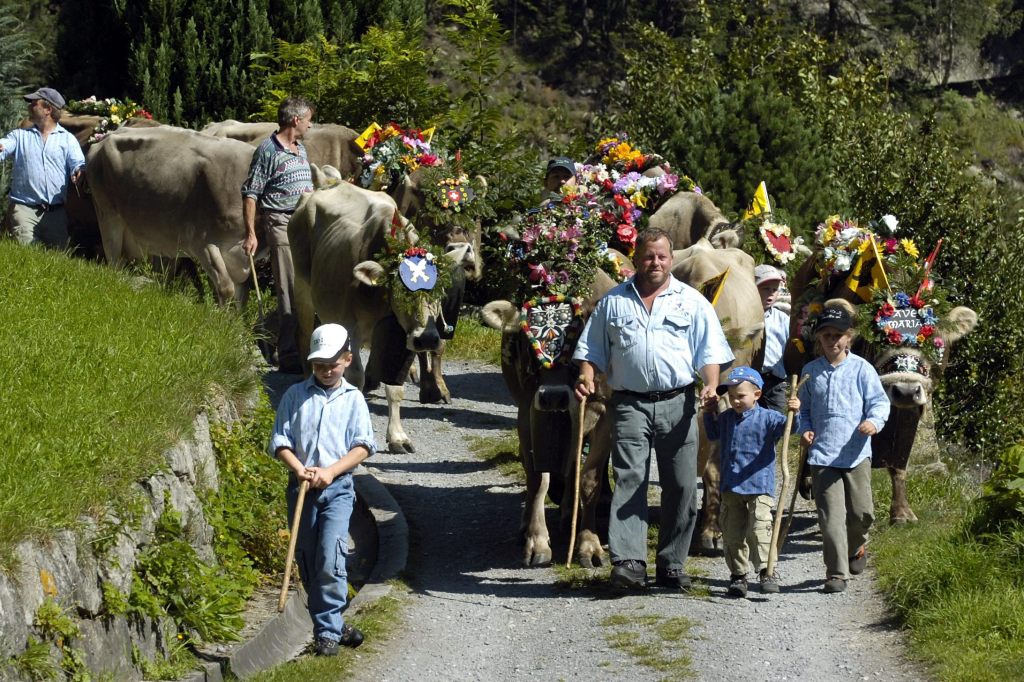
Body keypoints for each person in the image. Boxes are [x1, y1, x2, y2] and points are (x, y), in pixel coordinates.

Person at [574, 227, 734, 591]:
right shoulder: (613, 303)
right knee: (630, 478)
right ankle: (629, 561)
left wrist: (710, 385)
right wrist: (586, 376)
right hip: (629, 403)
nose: (655, 263)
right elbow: (591, 351)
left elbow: (709, 352)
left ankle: (672, 563)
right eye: (648, 256)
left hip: (679, 402)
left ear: (672, 259)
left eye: (662, 256)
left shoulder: (692, 302)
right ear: (636, 258)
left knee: (680, 483)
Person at [268, 323, 375, 654]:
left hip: (338, 489)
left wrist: (330, 471)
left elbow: (363, 446)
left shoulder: (353, 399)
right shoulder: (295, 396)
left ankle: (326, 633)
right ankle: (335, 625)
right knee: (309, 560)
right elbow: (280, 441)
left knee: (331, 556)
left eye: (333, 364)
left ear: (347, 358)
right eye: (320, 365)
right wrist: (299, 469)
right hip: (300, 490)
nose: (327, 371)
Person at [798, 306, 890, 593]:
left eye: (838, 335)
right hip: (823, 455)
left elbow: (879, 402)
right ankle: (836, 573)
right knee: (830, 518)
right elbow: (803, 411)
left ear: (849, 337)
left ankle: (857, 546)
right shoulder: (810, 373)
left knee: (863, 514)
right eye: (826, 335)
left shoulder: (863, 369)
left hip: (856, 453)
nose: (832, 340)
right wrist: (805, 428)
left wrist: (873, 422)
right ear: (819, 338)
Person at [703, 366, 800, 598]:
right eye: (732, 397)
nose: (735, 401)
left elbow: (790, 429)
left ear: (757, 395)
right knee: (732, 532)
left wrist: (794, 413)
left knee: (759, 529)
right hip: (731, 486)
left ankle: (767, 571)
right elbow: (713, 434)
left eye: (741, 396)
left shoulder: (769, 418)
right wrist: (709, 412)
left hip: (759, 485)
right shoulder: (725, 419)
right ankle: (738, 575)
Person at [242, 96, 315, 374]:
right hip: (281, 222)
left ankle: (268, 332)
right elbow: (251, 193)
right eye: (308, 119)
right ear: (296, 120)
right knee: (288, 286)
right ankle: (289, 355)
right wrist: (251, 233)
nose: (311, 125)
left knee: (305, 285)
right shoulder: (267, 150)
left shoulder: (301, 149)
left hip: (304, 222)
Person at [0, 87, 85, 248]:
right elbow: (4, 146)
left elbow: (77, 164)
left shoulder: (67, 139)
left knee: (58, 263)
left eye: (33, 103)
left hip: (56, 214)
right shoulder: (19, 136)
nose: (29, 107)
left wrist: (78, 171)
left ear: (48, 109)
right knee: (27, 258)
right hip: (24, 210)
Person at [754, 264, 790, 414]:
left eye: (774, 289)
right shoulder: (746, 318)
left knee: (777, 423)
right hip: (750, 380)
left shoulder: (783, 319)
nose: (770, 294)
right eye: (765, 289)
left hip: (775, 382)